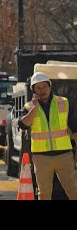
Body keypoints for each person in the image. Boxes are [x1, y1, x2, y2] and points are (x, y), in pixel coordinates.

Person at [18, 72, 77, 200]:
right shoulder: (29, 107)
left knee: (73, 190)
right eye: (38, 88)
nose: (42, 90)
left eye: (44, 86)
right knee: (44, 194)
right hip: (41, 158)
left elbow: (75, 128)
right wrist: (34, 108)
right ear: (33, 90)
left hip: (64, 156)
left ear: (50, 86)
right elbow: (23, 125)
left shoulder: (64, 102)